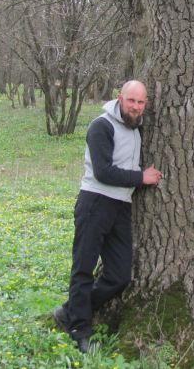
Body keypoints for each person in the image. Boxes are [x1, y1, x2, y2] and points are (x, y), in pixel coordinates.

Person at [53, 80, 162, 353]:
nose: (136, 107)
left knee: (119, 275)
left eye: (141, 102)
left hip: (121, 206)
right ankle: (80, 329)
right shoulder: (102, 126)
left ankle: (69, 310)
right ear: (119, 98)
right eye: (131, 101)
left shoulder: (135, 129)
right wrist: (141, 177)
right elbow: (103, 172)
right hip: (95, 202)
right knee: (83, 268)